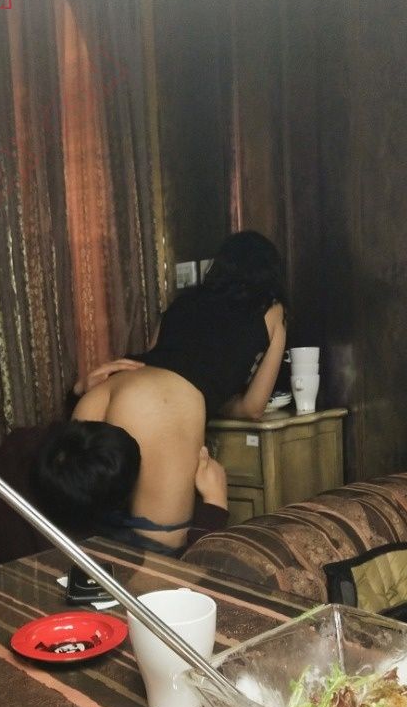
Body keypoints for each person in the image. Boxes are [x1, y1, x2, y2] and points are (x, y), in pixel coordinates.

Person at [36, 230, 287, 555]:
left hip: (109, 387)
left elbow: (156, 355)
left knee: (84, 540)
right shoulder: (272, 310)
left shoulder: (183, 302)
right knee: (163, 551)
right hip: (161, 403)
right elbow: (253, 407)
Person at [0, 360, 228, 578]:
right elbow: (170, 585)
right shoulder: (72, 547)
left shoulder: (20, 445)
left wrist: (78, 394)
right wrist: (214, 506)